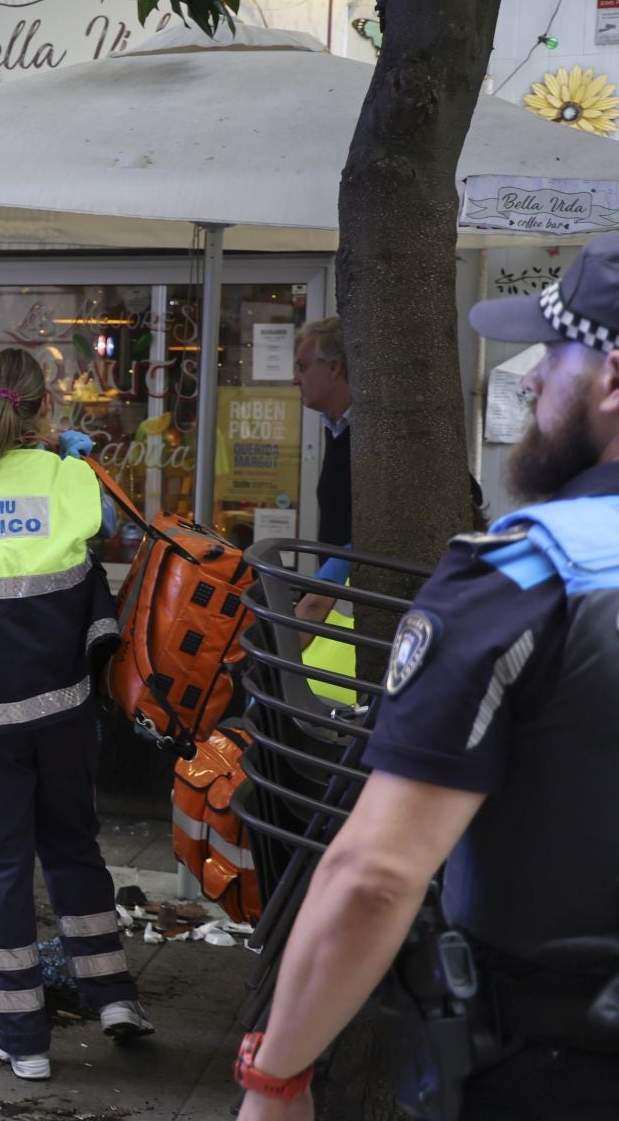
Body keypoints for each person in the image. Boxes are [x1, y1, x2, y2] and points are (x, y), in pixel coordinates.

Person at [234, 239, 619, 1119]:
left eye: (554, 356)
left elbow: (375, 873)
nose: (529, 384)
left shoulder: (520, 580)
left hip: (552, 1070)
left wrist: (277, 1074)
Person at [0, 348, 153, 1083]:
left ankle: (24, 1039)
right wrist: (61, 456)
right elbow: (103, 536)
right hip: (59, 708)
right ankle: (113, 997)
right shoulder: (70, 475)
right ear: (43, 406)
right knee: (74, 846)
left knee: (3, 869)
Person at [292, 317, 352, 622]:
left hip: (360, 609)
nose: (295, 379)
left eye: (302, 367)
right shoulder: (337, 429)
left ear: (334, 368)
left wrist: (327, 583)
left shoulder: (373, 435)